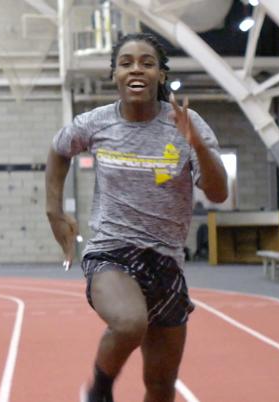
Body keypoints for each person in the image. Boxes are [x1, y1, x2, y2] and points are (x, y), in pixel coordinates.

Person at [45, 33, 228, 402]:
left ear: (161, 75)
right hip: (112, 252)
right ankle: (99, 391)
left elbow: (218, 192)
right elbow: (59, 150)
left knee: (161, 387)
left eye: (147, 62)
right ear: (114, 74)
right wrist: (54, 210)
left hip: (167, 260)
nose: (136, 69)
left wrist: (197, 146)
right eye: (126, 62)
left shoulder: (186, 124)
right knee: (129, 323)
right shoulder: (96, 123)